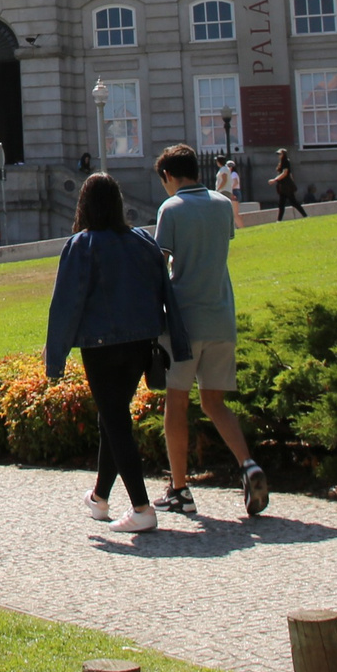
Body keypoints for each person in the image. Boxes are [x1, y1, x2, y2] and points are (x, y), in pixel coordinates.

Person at [44, 173, 190, 534]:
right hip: (141, 342)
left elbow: (66, 304)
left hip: (101, 345)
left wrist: (55, 355)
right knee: (113, 417)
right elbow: (164, 292)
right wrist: (177, 341)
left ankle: (141, 508)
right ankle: (99, 497)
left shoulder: (82, 244)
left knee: (115, 421)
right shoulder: (142, 240)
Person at [148, 146, 269, 519]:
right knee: (214, 402)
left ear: (168, 176)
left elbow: (160, 265)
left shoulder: (171, 209)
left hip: (185, 322)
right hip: (221, 317)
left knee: (176, 404)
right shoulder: (221, 205)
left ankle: (179, 489)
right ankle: (248, 464)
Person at [269, 149, 305, 219]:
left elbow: (285, 173)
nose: (279, 155)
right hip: (283, 186)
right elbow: (289, 174)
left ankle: (305, 215)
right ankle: (279, 220)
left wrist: (275, 180)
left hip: (286, 186)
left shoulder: (286, 162)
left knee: (293, 202)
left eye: (280, 154)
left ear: (284, 155)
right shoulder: (281, 162)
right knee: (282, 204)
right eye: (278, 154)